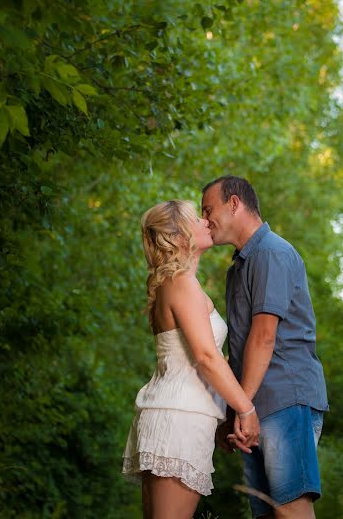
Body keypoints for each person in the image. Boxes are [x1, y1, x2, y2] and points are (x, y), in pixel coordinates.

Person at [122, 200, 260, 519]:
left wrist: (219, 417)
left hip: (178, 415)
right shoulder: (180, 283)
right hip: (177, 420)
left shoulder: (179, 284)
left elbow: (195, 363)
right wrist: (245, 408)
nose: (205, 220)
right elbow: (207, 357)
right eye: (196, 217)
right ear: (182, 234)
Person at [201, 176, 329, 519]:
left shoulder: (271, 253)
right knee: (267, 514)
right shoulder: (239, 266)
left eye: (207, 209)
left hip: (286, 397)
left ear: (234, 203)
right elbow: (242, 349)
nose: (204, 219)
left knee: (290, 510)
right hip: (256, 407)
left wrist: (243, 409)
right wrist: (234, 413)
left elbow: (264, 336)